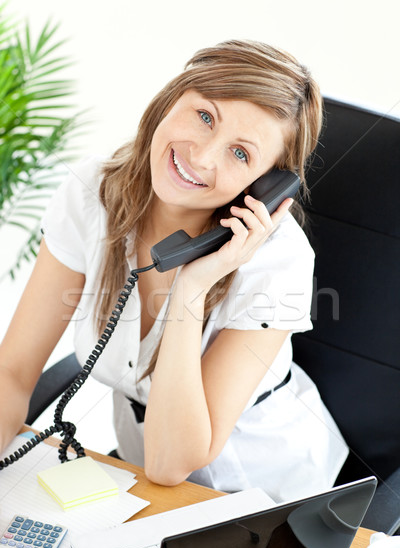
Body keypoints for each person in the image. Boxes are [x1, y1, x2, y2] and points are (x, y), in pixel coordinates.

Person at [0, 40, 348, 502]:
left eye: (241, 154)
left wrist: (192, 286)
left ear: (264, 186)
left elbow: (170, 463)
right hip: (139, 477)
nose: (202, 158)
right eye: (205, 117)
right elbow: (14, 371)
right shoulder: (92, 193)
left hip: (264, 493)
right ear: (172, 97)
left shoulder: (277, 261)